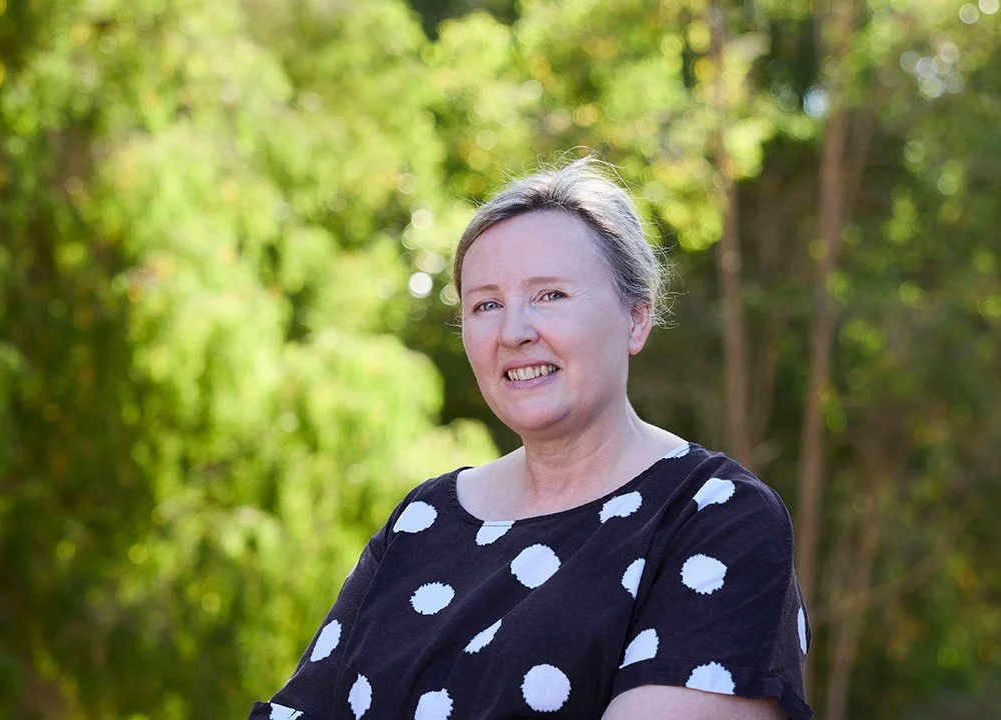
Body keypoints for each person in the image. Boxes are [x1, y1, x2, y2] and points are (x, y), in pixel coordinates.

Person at [249, 157, 813, 719]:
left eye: (550, 296)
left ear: (637, 319)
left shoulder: (715, 517)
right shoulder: (420, 522)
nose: (514, 332)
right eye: (486, 305)